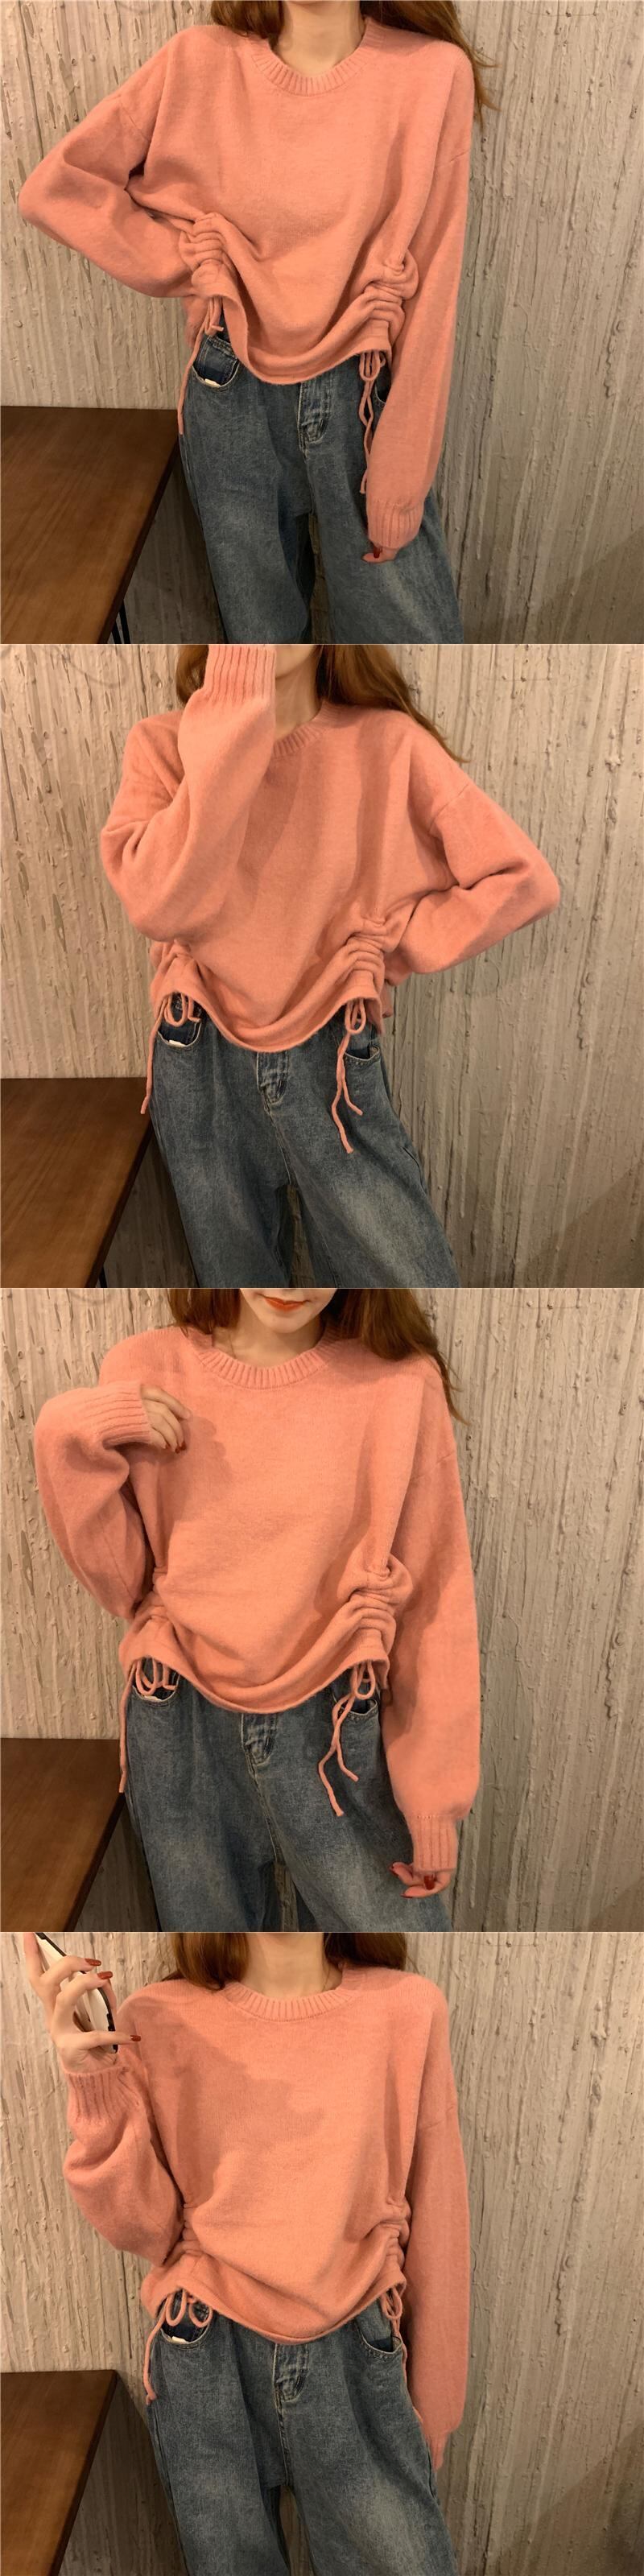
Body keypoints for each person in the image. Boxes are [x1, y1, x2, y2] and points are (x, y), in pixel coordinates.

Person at [19, 0, 492, 642]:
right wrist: (191, 262)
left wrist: (401, 481)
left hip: (360, 405)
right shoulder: (199, 62)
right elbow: (57, 188)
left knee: (410, 645)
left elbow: (434, 291)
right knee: (261, 650)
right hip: (228, 395)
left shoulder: (432, 74)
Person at [100, 642, 560, 1285]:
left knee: (409, 1283)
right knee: (237, 1297)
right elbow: (156, 905)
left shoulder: (389, 745)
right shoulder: (165, 746)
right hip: (198, 1058)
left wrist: (387, 944)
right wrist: (228, 729)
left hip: (333, 1064)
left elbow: (522, 879)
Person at [23, 1926, 469, 2576]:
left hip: (357, 2351)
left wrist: (434, 2402)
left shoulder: (407, 2009)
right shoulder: (156, 2018)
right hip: (207, 2352)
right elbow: (148, 2229)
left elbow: (438, 2207)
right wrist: (94, 2082)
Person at [33, 1287, 481, 1930]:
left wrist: (435, 1800)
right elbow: (123, 1585)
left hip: (337, 1733)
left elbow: (436, 1597)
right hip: (181, 1725)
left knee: (395, 1941)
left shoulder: (401, 1381)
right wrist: (67, 1436)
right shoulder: (146, 1369)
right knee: (219, 1963)